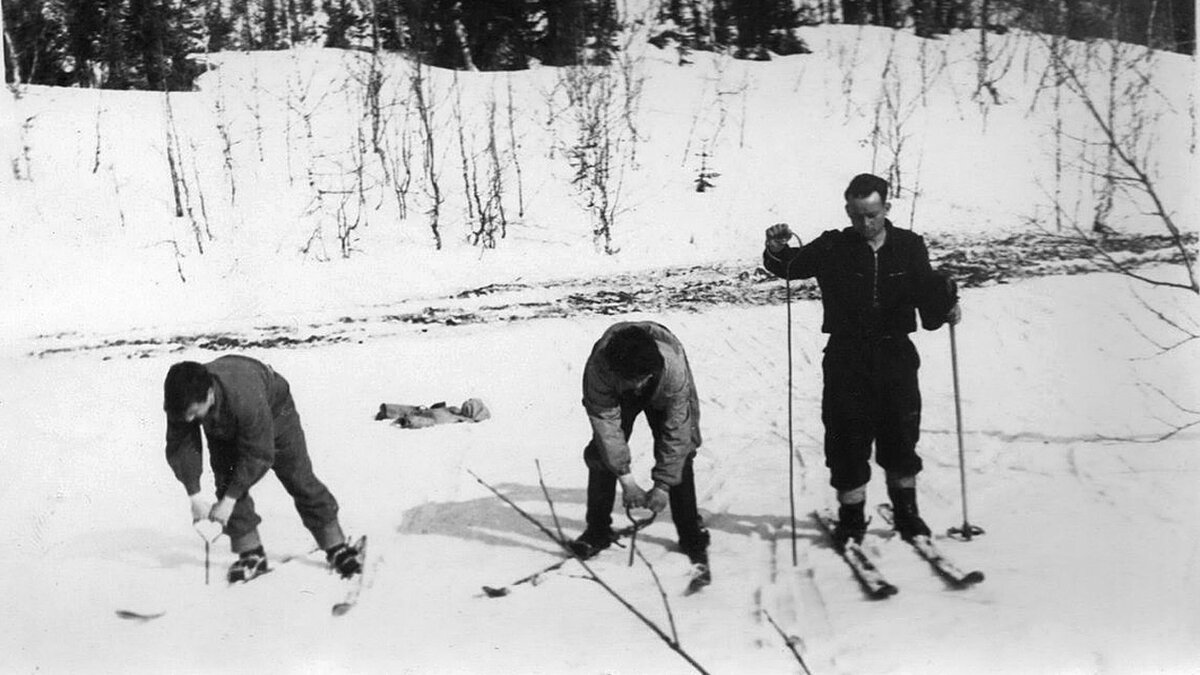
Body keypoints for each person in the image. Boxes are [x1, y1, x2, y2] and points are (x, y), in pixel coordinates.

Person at [762, 173, 960, 547]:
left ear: (886, 207)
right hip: (846, 356)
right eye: (856, 215)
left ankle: (907, 514)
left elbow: (927, 293)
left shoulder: (909, 246)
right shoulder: (833, 246)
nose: (865, 224)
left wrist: (946, 304)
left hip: (896, 354)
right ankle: (851, 520)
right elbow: (789, 266)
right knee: (846, 437)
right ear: (847, 211)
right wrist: (775, 248)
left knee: (901, 434)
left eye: (872, 214)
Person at [163, 355, 362, 582]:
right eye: (184, 414)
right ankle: (251, 553)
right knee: (226, 480)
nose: (189, 419)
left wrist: (229, 501)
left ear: (209, 394)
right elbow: (181, 447)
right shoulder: (182, 399)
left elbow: (259, 454)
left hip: (275, 413)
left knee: (297, 477)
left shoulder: (244, 394)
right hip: (223, 424)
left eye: (193, 412)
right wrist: (194, 495)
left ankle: (335, 544)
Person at [572, 322, 710, 571]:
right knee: (601, 453)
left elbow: (677, 434)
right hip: (615, 389)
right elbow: (606, 427)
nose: (636, 388)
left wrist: (663, 486)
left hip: (662, 388)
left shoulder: (673, 369)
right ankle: (597, 530)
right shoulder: (599, 369)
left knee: (682, 451)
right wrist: (626, 480)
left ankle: (691, 533)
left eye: (640, 380)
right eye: (630, 381)